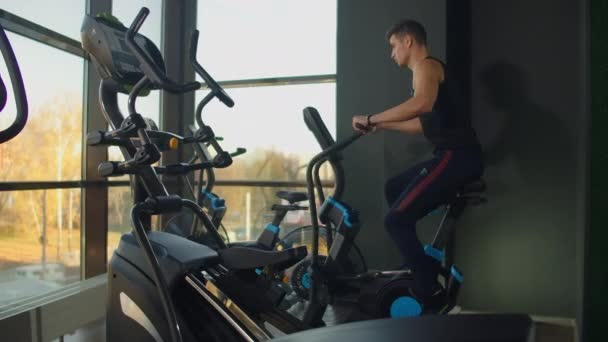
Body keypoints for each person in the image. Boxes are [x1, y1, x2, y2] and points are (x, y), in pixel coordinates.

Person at [352, 19, 483, 301]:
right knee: (393, 189)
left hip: (457, 157)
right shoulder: (424, 73)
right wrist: (381, 126)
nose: (392, 53)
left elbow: (420, 104)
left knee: (395, 222)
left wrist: (372, 117)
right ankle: (419, 263)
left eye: (393, 46)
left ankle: (429, 289)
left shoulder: (426, 67)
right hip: (452, 156)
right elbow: (422, 125)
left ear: (408, 41)